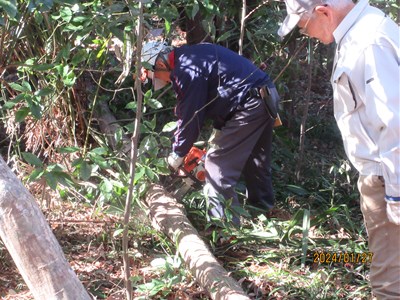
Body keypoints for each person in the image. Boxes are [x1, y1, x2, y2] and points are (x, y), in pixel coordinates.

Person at [278, 0, 400, 299]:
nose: (306, 34)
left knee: (388, 283)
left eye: (304, 27)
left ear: (324, 12)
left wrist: (396, 196)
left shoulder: (369, 41)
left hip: (386, 177)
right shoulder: (359, 32)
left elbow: (394, 122)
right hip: (383, 175)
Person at [140, 41, 280, 226]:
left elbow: (190, 117)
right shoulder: (193, 54)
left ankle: (224, 227)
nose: (166, 82)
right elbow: (222, 92)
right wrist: (218, 132)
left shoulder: (186, 71)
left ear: (160, 64)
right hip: (264, 95)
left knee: (216, 166)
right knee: (255, 160)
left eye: (162, 78)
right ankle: (263, 210)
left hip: (249, 104)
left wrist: (177, 154)